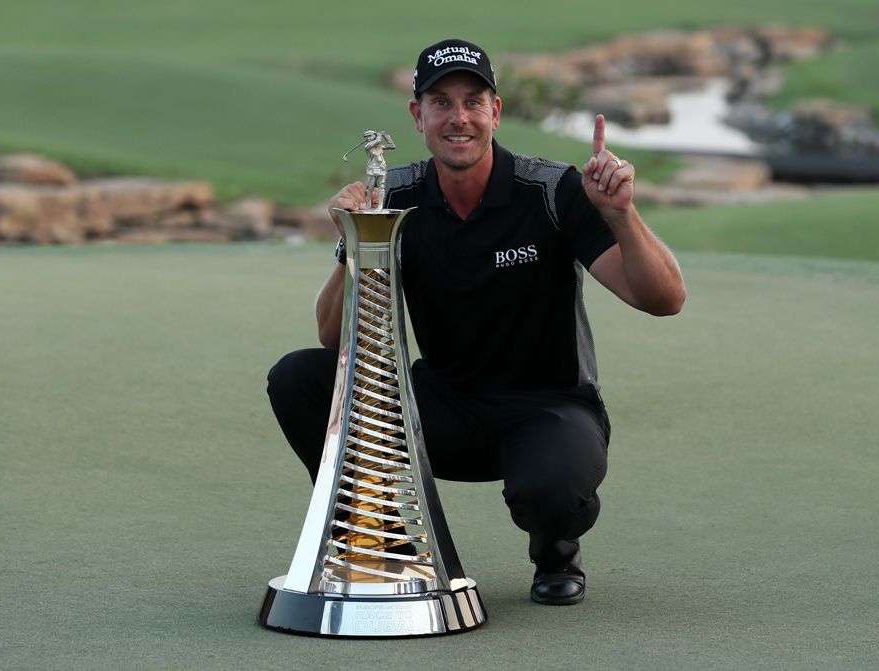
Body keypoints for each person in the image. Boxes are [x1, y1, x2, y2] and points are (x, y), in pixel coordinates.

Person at [267, 38, 685, 605]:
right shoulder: (395, 194)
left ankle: (556, 550)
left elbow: (664, 299)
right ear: (418, 116)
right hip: (440, 409)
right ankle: (389, 545)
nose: (458, 117)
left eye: (473, 101)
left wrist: (622, 214)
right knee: (299, 378)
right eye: (441, 102)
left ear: (496, 111)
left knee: (553, 487)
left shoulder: (552, 190)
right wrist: (355, 244)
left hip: (548, 408)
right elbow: (331, 336)